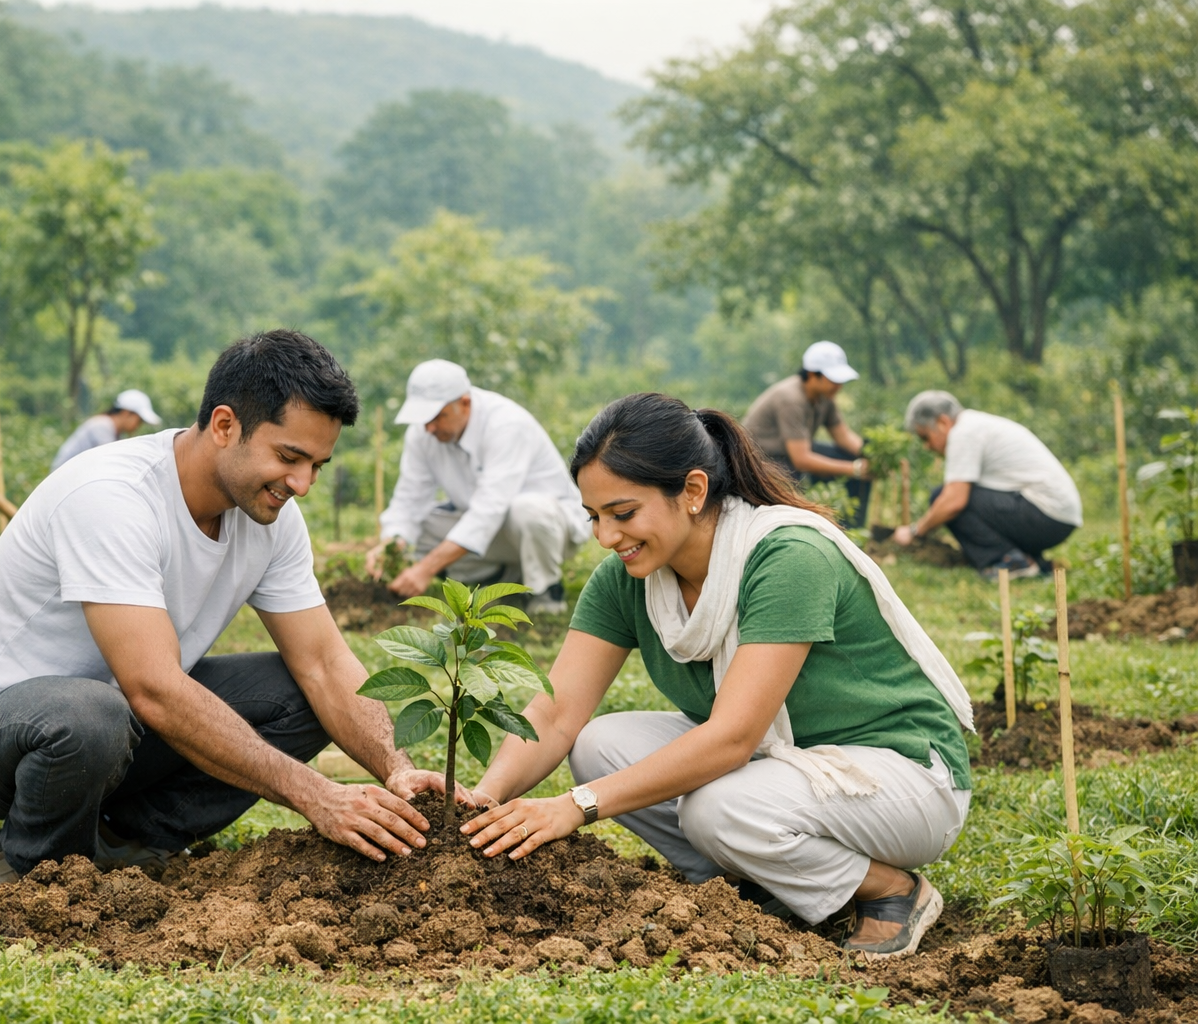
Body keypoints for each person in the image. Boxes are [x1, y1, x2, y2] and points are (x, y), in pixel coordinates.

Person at [0, 330, 461, 888]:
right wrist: (316, 794)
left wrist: (397, 768)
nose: (302, 484)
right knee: (91, 715)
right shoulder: (111, 497)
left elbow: (324, 663)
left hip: (121, 730)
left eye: (318, 466)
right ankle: (36, 867)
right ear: (225, 425)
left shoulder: (270, 519)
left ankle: (126, 839)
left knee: (299, 692)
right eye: (289, 457)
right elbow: (153, 687)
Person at [457, 393, 974, 959]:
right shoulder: (627, 579)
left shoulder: (786, 556)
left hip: (898, 775)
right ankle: (760, 882)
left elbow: (733, 737)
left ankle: (891, 891)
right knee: (600, 745)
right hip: (785, 769)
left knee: (717, 809)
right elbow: (556, 712)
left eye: (623, 513)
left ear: (694, 492)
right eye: (595, 517)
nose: (606, 537)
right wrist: (484, 799)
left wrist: (574, 806)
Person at [369, 359, 589, 615]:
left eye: (437, 417)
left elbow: (489, 510)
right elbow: (408, 501)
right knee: (421, 527)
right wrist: (391, 546)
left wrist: (425, 569)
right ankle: (503, 575)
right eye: (423, 419)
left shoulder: (506, 424)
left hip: (547, 532)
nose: (429, 427)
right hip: (495, 534)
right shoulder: (423, 434)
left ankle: (545, 595)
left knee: (528, 510)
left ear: (464, 403)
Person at [894, 391, 1081, 579]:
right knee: (952, 497)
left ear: (943, 423)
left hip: (1047, 516)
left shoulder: (963, 433)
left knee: (943, 498)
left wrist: (915, 532)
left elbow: (954, 501)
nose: (926, 447)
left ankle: (1010, 561)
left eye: (925, 437)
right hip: (1058, 518)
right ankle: (1033, 562)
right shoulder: (975, 424)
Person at [743, 341, 871, 526]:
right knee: (794, 493)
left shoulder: (825, 398)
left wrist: (871, 455)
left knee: (847, 456)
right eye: (833, 379)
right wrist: (855, 469)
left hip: (790, 454)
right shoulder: (791, 399)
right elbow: (801, 459)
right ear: (812, 375)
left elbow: (843, 435)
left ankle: (854, 528)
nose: (839, 385)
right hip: (764, 460)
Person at [50, 389, 163, 472]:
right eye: (139, 421)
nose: (138, 426)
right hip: (63, 480)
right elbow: (114, 465)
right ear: (126, 413)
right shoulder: (102, 426)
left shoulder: (113, 432)